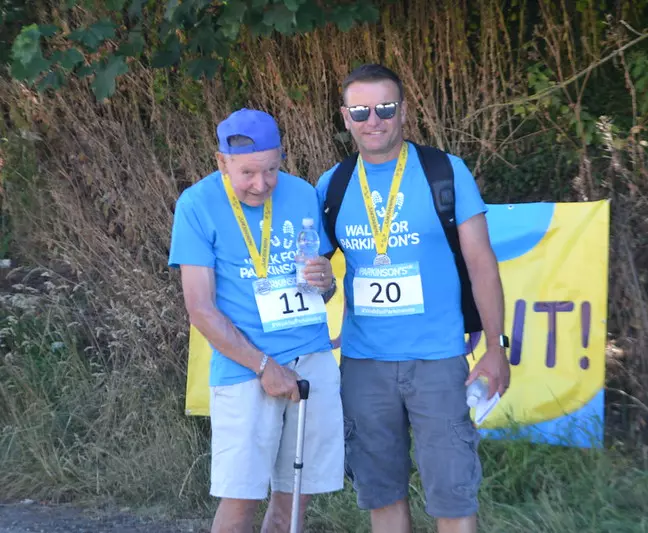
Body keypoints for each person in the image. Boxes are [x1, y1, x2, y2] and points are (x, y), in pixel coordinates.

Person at [316, 64, 511, 533]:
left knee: (453, 497)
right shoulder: (333, 185)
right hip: (364, 365)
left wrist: (495, 349)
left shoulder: (445, 171)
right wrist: (322, 286)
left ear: (403, 110)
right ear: (345, 117)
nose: (373, 120)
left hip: (438, 360)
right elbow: (317, 280)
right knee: (382, 495)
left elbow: (482, 262)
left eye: (385, 107)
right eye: (360, 110)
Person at [168, 108, 343, 533]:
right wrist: (264, 367)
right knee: (241, 497)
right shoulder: (197, 203)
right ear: (221, 161)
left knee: (296, 494)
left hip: (311, 358)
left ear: (283, 157)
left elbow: (323, 286)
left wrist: (327, 280)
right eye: (247, 173)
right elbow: (200, 308)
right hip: (246, 368)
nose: (261, 184)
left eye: (271, 170)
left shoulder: (302, 193)